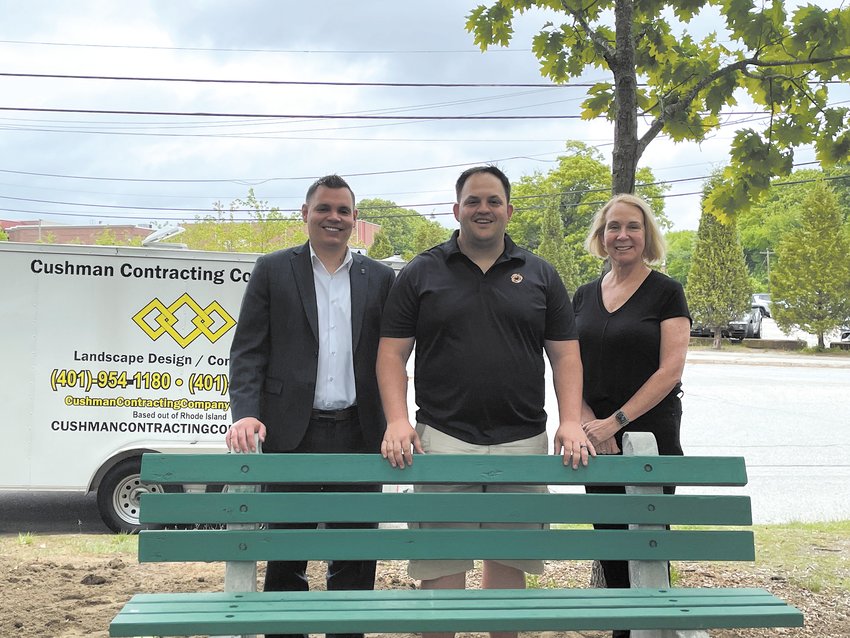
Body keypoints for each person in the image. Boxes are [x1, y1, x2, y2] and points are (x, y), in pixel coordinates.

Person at [377, 165, 592, 638]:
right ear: (456, 210)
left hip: (524, 441)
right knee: (440, 569)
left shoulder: (541, 275)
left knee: (508, 569)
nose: (483, 209)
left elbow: (566, 357)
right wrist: (397, 420)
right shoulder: (420, 271)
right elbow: (392, 355)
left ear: (509, 211)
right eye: (473, 201)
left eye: (493, 201)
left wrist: (571, 421)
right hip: (444, 439)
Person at [226, 174, 395, 638]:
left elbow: (393, 354)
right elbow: (248, 352)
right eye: (324, 208)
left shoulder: (379, 278)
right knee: (286, 552)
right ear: (305, 214)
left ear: (355, 221)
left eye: (343, 211)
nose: (333, 218)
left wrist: (398, 420)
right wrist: (244, 412)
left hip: (360, 434)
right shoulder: (273, 269)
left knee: (356, 555)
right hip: (287, 433)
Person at [572, 193, 691, 638]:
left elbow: (670, 370)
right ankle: (624, 630)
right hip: (594, 441)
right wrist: (588, 425)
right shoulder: (584, 295)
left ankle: (649, 629)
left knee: (647, 543)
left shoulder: (666, 292)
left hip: (650, 439)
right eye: (613, 227)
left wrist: (614, 422)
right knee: (610, 541)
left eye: (633, 227)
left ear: (647, 237)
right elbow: (569, 367)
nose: (622, 235)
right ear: (601, 238)